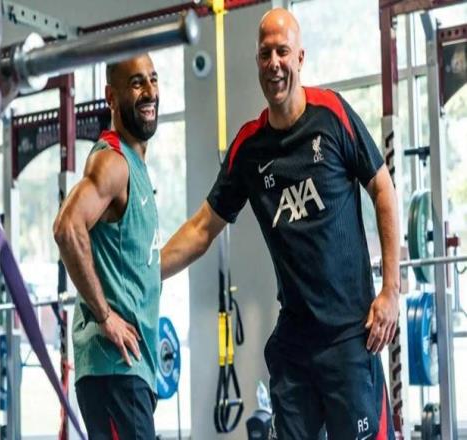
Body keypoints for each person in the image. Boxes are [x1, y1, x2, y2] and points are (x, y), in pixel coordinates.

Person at [161, 8, 399, 440]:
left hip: (351, 336)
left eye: (283, 52)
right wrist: (146, 275)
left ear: (300, 58)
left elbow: (383, 189)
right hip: (295, 344)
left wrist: (391, 292)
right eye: (265, 53)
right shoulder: (250, 148)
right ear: (257, 61)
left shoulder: (332, 114)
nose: (274, 63)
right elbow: (202, 228)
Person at [54, 54, 161, 439]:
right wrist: (105, 316)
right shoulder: (113, 162)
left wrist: (211, 222)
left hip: (129, 373)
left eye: (153, 79)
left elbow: (148, 262)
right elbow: (67, 228)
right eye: (136, 83)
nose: (149, 91)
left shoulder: (135, 166)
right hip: (113, 370)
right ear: (111, 97)